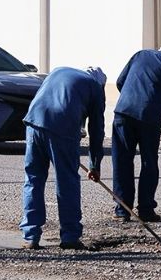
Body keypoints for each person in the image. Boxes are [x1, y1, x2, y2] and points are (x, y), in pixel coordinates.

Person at [20, 66, 107, 250]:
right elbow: (97, 131)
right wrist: (94, 165)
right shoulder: (95, 88)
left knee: (33, 179)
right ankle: (70, 236)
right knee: (67, 181)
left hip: (33, 121)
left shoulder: (60, 71)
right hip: (61, 126)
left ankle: (30, 236)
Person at [111, 41, 161, 222]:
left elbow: (121, 81)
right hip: (149, 119)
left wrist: (132, 97)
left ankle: (122, 210)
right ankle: (145, 210)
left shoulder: (140, 54)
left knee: (122, 161)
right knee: (149, 163)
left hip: (123, 112)